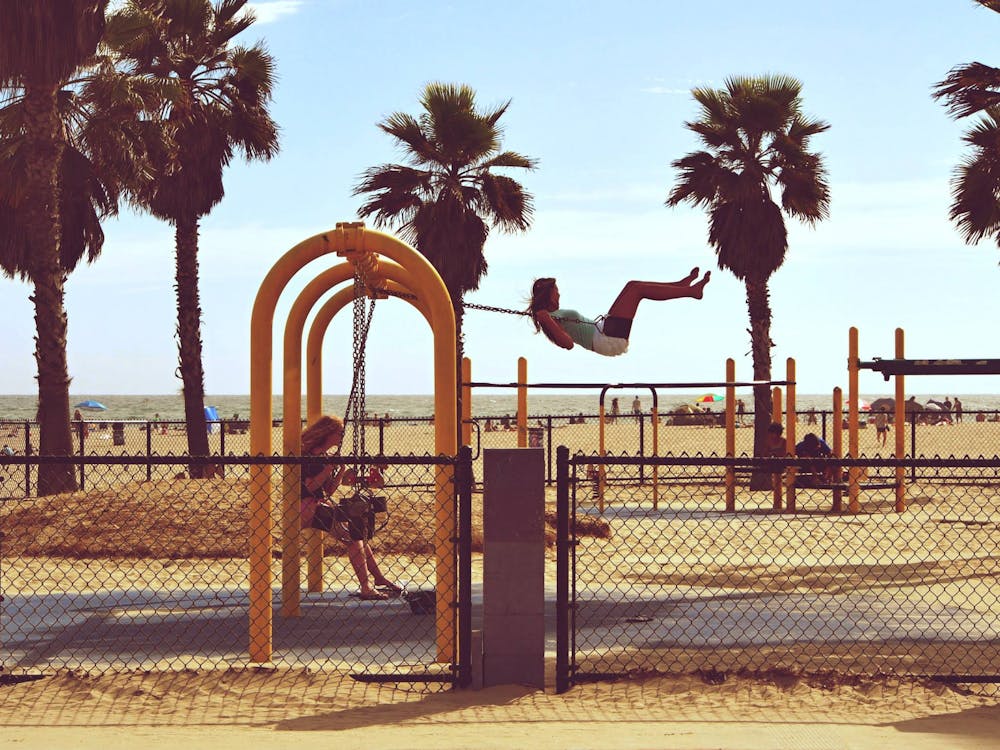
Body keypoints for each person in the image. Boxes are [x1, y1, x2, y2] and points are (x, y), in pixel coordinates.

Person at [299, 415, 399, 601]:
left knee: (357, 536)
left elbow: (327, 490)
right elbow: (310, 487)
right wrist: (328, 469)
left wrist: (341, 471)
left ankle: (377, 578)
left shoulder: (323, 457)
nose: (342, 436)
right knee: (355, 539)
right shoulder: (309, 457)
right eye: (339, 432)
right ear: (328, 434)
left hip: (319, 504)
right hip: (306, 506)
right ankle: (367, 586)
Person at [527, 269, 710, 356]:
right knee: (637, 290)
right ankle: (690, 291)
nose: (559, 293)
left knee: (632, 285)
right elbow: (568, 344)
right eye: (556, 290)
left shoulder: (553, 314)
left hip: (605, 330)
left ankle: (680, 286)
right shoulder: (549, 319)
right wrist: (545, 319)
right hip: (606, 339)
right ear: (549, 295)